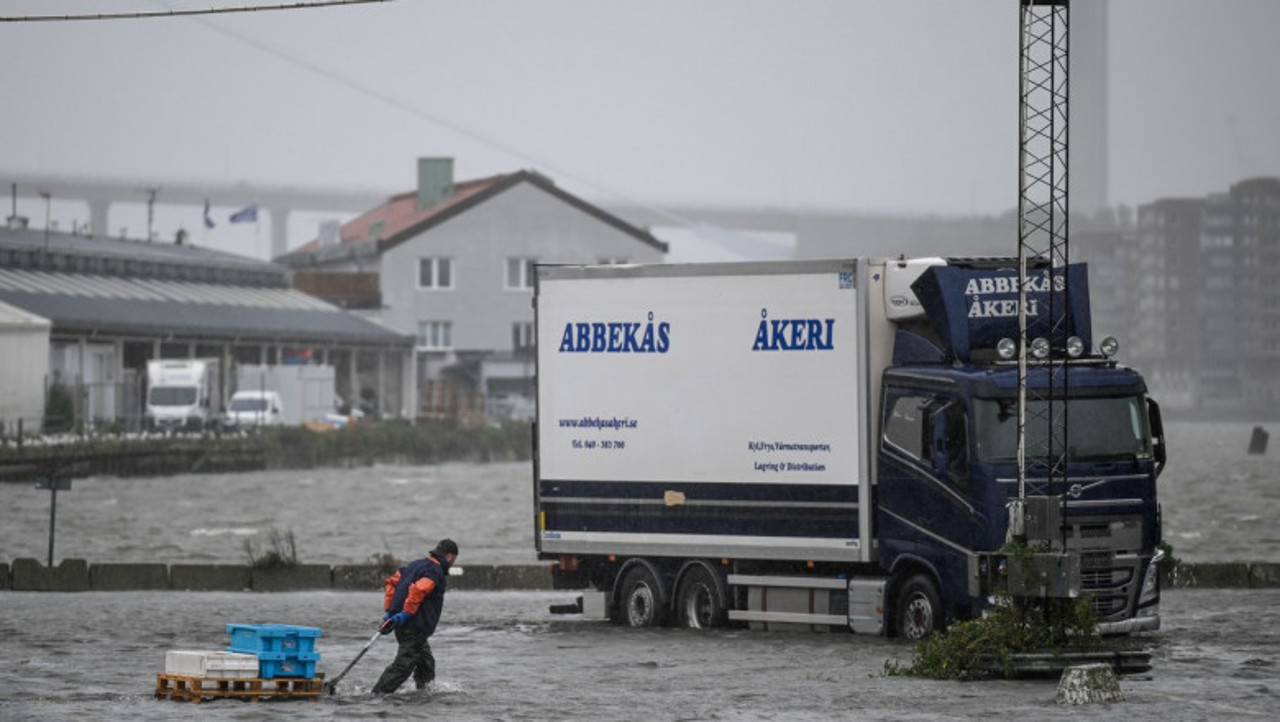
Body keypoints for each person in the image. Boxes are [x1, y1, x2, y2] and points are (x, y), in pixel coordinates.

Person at [371, 538, 458, 693]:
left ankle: (423, 692)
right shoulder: (435, 571)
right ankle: (377, 695)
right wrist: (405, 613)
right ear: (450, 556)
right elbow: (419, 590)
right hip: (413, 627)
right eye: (454, 558)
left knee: (426, 663)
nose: (453, 562)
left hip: (404, 625)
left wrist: (391, 611)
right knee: (403, 665)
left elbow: (391, 582)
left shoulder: (413, 565)